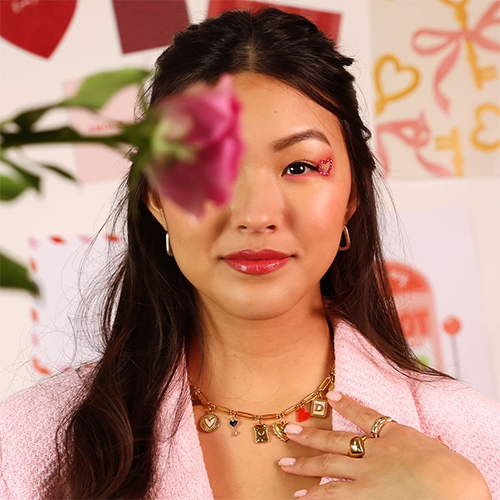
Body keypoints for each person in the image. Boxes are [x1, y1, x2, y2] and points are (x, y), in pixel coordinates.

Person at [1, 7, 499, 500]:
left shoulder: (469, 443)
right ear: (155, 198)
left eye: (300, 167)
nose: (256, 215)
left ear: (352, 196)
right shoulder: (26, 443)